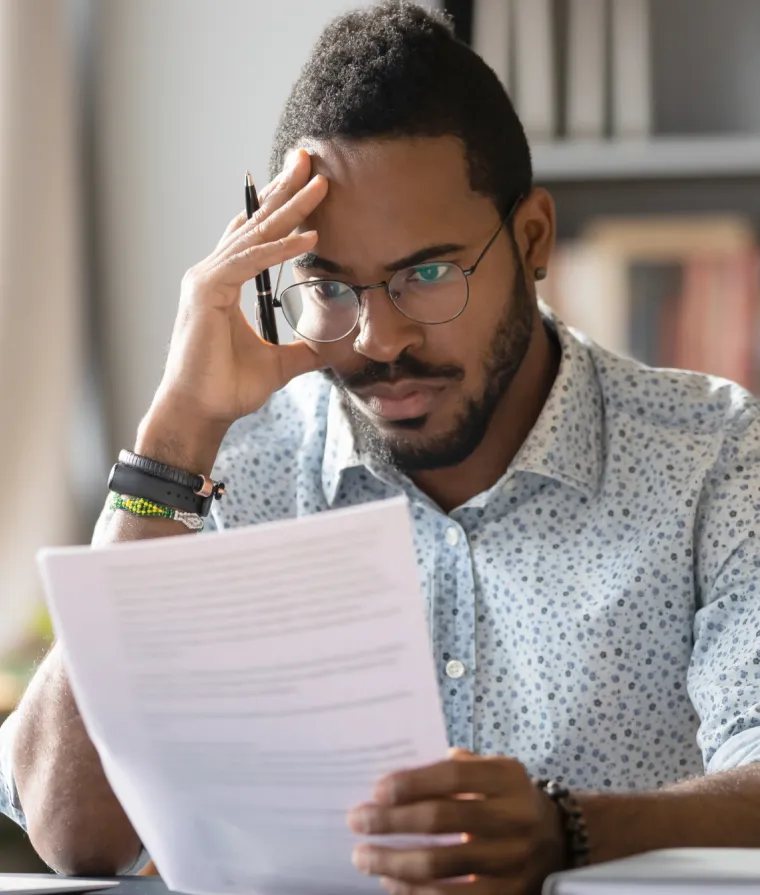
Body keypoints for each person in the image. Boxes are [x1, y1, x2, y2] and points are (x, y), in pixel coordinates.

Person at [3, 3, 760, 891]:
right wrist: (173, 435)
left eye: (428, 273)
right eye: (329, 287)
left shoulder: (713, 456)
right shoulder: (226, 474)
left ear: (533, 239)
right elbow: (72, 830)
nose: (380, 337)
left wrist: (572, 830)